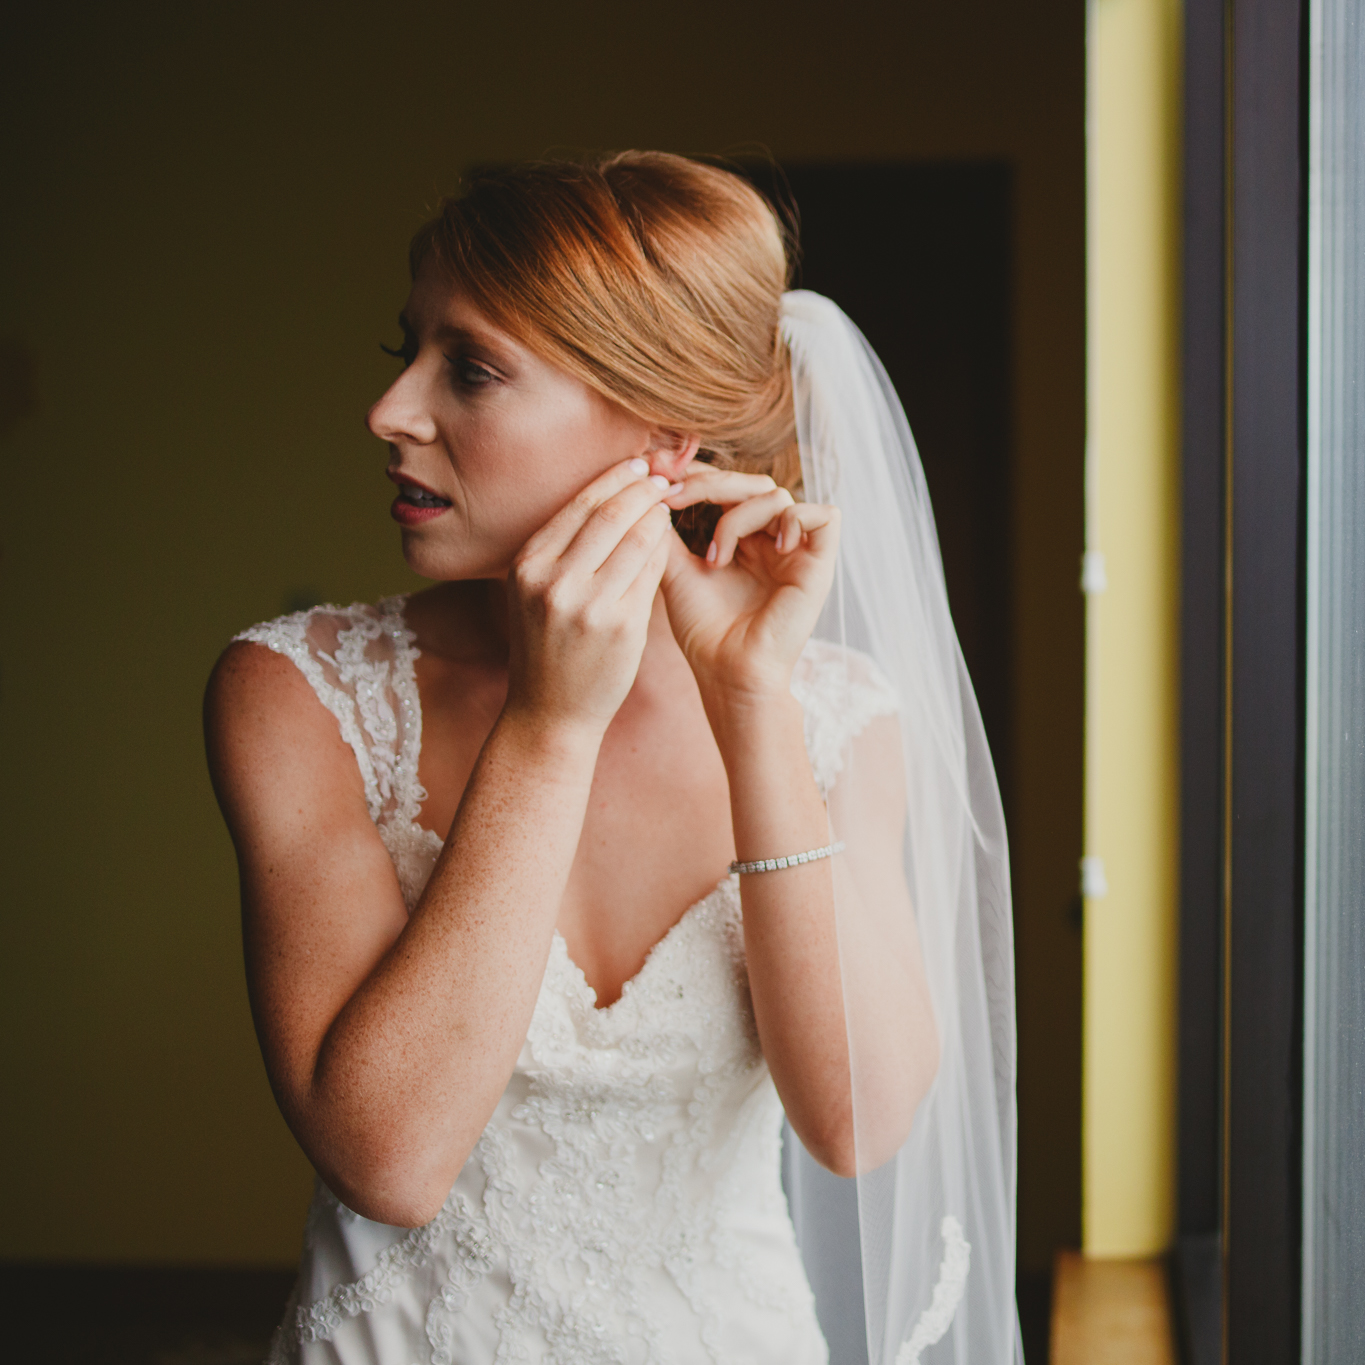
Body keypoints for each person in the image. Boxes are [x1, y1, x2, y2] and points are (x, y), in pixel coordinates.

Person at [205, 152, 1017, 1365]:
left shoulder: (839, 713)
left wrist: (751, 702)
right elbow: (391, 1159)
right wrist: (549, 725)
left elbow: (855, 1125)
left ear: (664, 436)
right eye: (408, 350)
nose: (392, 411)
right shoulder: (297, 693)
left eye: (469, 368)